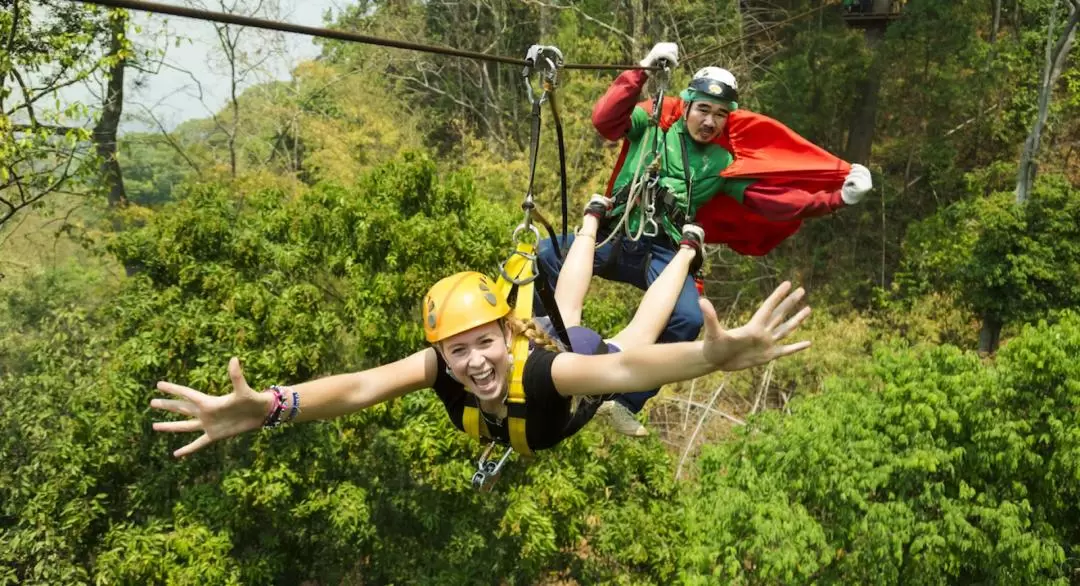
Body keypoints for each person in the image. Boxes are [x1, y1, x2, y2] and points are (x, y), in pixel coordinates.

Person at [150, 202, 812, 458]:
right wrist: (270, 407)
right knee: (571, 310)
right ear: (441, 350)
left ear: (506, 334)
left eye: (483, 344)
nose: (473, 364)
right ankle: (590, 220)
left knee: (629, 333)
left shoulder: (548, 370)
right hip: (544, 343)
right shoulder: (444, 365)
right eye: (457, 351)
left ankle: (691, 249)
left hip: (569, 366)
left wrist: (708, 357)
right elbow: (357, 388)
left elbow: (623, 373)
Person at [536, 42, 873, 436]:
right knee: (546, 255)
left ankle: (622, 400)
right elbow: (605, 119)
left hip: (662, 250)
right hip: (618, 231)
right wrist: (642, 70)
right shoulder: (653, 120)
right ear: (688, 105)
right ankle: (543, 342)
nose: (710, 122)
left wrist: (836, 198)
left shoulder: (721, 163)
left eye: (720, 115)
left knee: (688, 317)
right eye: (703, 110)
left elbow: (773, 202)